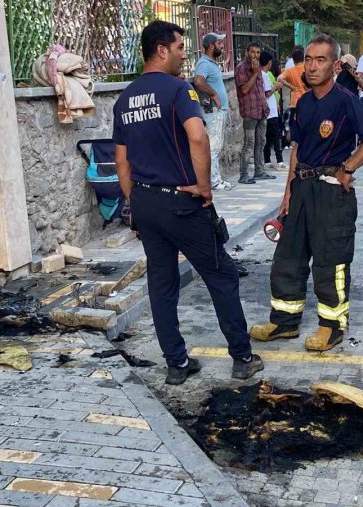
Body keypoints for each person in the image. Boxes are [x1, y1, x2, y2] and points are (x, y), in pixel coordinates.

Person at [113, 21, 264, 385]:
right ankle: (242, 358)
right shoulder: (179, 91)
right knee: (221, 274)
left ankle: (176, 365)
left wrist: (136, 203)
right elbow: (198, 138)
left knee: (162, 283)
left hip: (146, 202)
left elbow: (121, 162)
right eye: (180, 47)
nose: (184, 54)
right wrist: (204, 187)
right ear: (161, 50)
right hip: (182, 200)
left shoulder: (124, 98)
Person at [249, 34, 363, 351]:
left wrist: (348, 168)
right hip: (302, 189)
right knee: (288, 257)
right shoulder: (305, 102)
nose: (312, 66)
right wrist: (287, 192)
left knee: (330, 260)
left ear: (335, 65)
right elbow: (297, 148)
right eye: (308, 59)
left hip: (330, 192)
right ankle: (284, 322)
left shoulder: (344, 100)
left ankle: (332, 326)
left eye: (320, 60)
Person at [193, 32, 235, 191]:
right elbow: (199, 81)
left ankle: (216, 179)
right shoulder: (204, 63)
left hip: (217, 112)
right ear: (211, 46)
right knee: (213, 148)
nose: (222, 46)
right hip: (213, 112)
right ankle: (215, 182)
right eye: (219, 43)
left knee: (215, 147)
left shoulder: (210, 63)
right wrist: (214, 95)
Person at [235, 42, 277, 184]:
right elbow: (245, 90)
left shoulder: (258, 68)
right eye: (253, 52)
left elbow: (261, 90)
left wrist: (265, 107)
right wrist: (254, 73)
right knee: (249, 143)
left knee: (261, 142)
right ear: (246, 52)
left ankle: (259, 171)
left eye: (258, 53)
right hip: (249, 111)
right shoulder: (241, 68)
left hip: (261, 111)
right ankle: (244, 174)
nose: (256, 55)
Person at [261, 51, 286, 170]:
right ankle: (280, 161)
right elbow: (267, 93)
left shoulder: (262, 75)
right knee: (276, 137)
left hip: (268, 111)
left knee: (268, 137)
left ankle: (267, 160)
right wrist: (276, 87)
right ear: (269, 62)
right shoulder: (264, 75)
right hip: (270, 111)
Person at [278, 47, 307, 146]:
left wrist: (291, 86)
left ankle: (295, 142)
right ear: (303, 58)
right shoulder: (307, 68)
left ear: (293, 59)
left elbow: (279, 78)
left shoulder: (290, 71)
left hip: (295, 101)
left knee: (295, 124)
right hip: (307, 100)